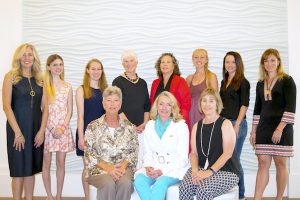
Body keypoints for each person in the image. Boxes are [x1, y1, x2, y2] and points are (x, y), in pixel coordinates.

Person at [2, 43, 48, 200]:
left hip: (36, 130)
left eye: (30, 54)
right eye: (24, 54)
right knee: (19, 170)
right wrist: (17, 133)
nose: (27, 58)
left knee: (30, 169)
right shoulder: (11, 77)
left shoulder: (41, 79)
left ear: (34, 57)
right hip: (17, 129)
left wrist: (42, 131)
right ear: (18, 58)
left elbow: (45, 108)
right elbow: (7, 107)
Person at [249, 48, 296, 200]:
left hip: (282, 127)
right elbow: (257, 108)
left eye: (272, 60)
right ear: (263, 64)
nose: (269, 63)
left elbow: (290, 106)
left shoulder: (287, 80)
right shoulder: (260, 83)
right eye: (266, 61)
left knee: (280, 163)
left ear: (278, 62)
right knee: (262, 163)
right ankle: (257, 197)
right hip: (263, 128)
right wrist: (253, 131)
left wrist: (280, 128)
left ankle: (279, 197)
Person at [179, 88, 239, 200]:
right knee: (185, 187)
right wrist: (195, 170)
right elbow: (194, 153)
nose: (207, 104)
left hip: (227, 171)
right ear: (200, 104)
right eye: (204, 100)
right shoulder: (197, 126)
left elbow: (227, 153)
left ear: (217, 104)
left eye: (211, 101)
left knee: (203, 190)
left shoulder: (225, 124)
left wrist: (209, 172)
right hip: (202, 168)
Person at [84, 86, 139, 200]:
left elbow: (133, 151)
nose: (112, 104)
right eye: (109, 101)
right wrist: (109, 168)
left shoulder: (129, 127)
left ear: (120, 104)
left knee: (125, 183)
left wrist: (123, 166)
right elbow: (89, 154)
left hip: (123, 168)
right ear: (103, 104)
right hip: (99, 169)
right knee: (108, 183)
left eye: (116, 101)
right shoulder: (92, 126)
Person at [134, 91, 190, 200]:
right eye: (161, 104)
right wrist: (148, 167)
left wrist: (161, 171)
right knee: (139, 181)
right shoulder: (150, 125)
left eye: (168, 104)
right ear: (156, 106)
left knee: (160, 183)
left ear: (173, 108)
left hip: (173, 168)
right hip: (154, 166)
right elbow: (147, 152)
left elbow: (182, 158)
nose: (164, 108)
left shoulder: (181, 126)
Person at [42, 54, 74, 200]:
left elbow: (69, 110)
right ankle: (49, 195)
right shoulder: (43, 85)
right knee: (46, 164)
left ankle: (59, 195)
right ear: (49, 67)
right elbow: (42, 109)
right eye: (55, 64)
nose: (58, 67)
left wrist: (62, 127)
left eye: (60, 64)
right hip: (48, 130)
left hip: (63, 130)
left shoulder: (68, 86)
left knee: (61, 163)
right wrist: (51, 128)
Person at [75, 58, 108, 199]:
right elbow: (80, 116)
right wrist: (81, 137)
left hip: (102, 135)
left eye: (98, 69)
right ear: (87, 70)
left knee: (102, 168)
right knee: (88, 168)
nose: (96, 72)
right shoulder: (81, 90)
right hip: (86, 134)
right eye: (93, 69)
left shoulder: (106, 90)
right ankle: (87, 197)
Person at [220, 51, 250, 200]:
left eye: (233, 62)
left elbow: (244, 105)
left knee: (234, 159)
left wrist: (237, 125)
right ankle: (233, 191)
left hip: (237, 124)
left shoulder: (243, 82)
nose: (229, 65)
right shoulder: (224, 82)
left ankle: (240, 195)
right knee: (229, 158)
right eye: (227, 62)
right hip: (225, 124)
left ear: (238, 64)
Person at [112, 49, 150, 168]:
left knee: (139, 161)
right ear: (123, 64)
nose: (129, 64)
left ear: (136, 62)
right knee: (124, 163)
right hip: (124, 129)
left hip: (141, 130)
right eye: (126, 61)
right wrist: (129, 125)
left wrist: (144, 123)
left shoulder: (143, 83)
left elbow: (146, 106)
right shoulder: (117, 81)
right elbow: (116, 106)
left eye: (131, 60)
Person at [150, 53, 191, 128]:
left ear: (173, 66)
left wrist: (179, 123)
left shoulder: (181, 81)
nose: (165, 64)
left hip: (175, 123)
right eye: (162, 62)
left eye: (168, 62)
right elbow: (152, 104)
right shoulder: (155, 83)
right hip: (158, 123)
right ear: (159, 65)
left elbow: (186, 105)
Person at [186, 49, 218, 127]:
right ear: (193, 60)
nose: (199, 59)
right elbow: (186, 99)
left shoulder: (211, 76)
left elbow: (216, 99)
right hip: (191, 114)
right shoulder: (189, 78)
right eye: (196, 57)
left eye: (202, 57)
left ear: (206, 60)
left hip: (205, 114)